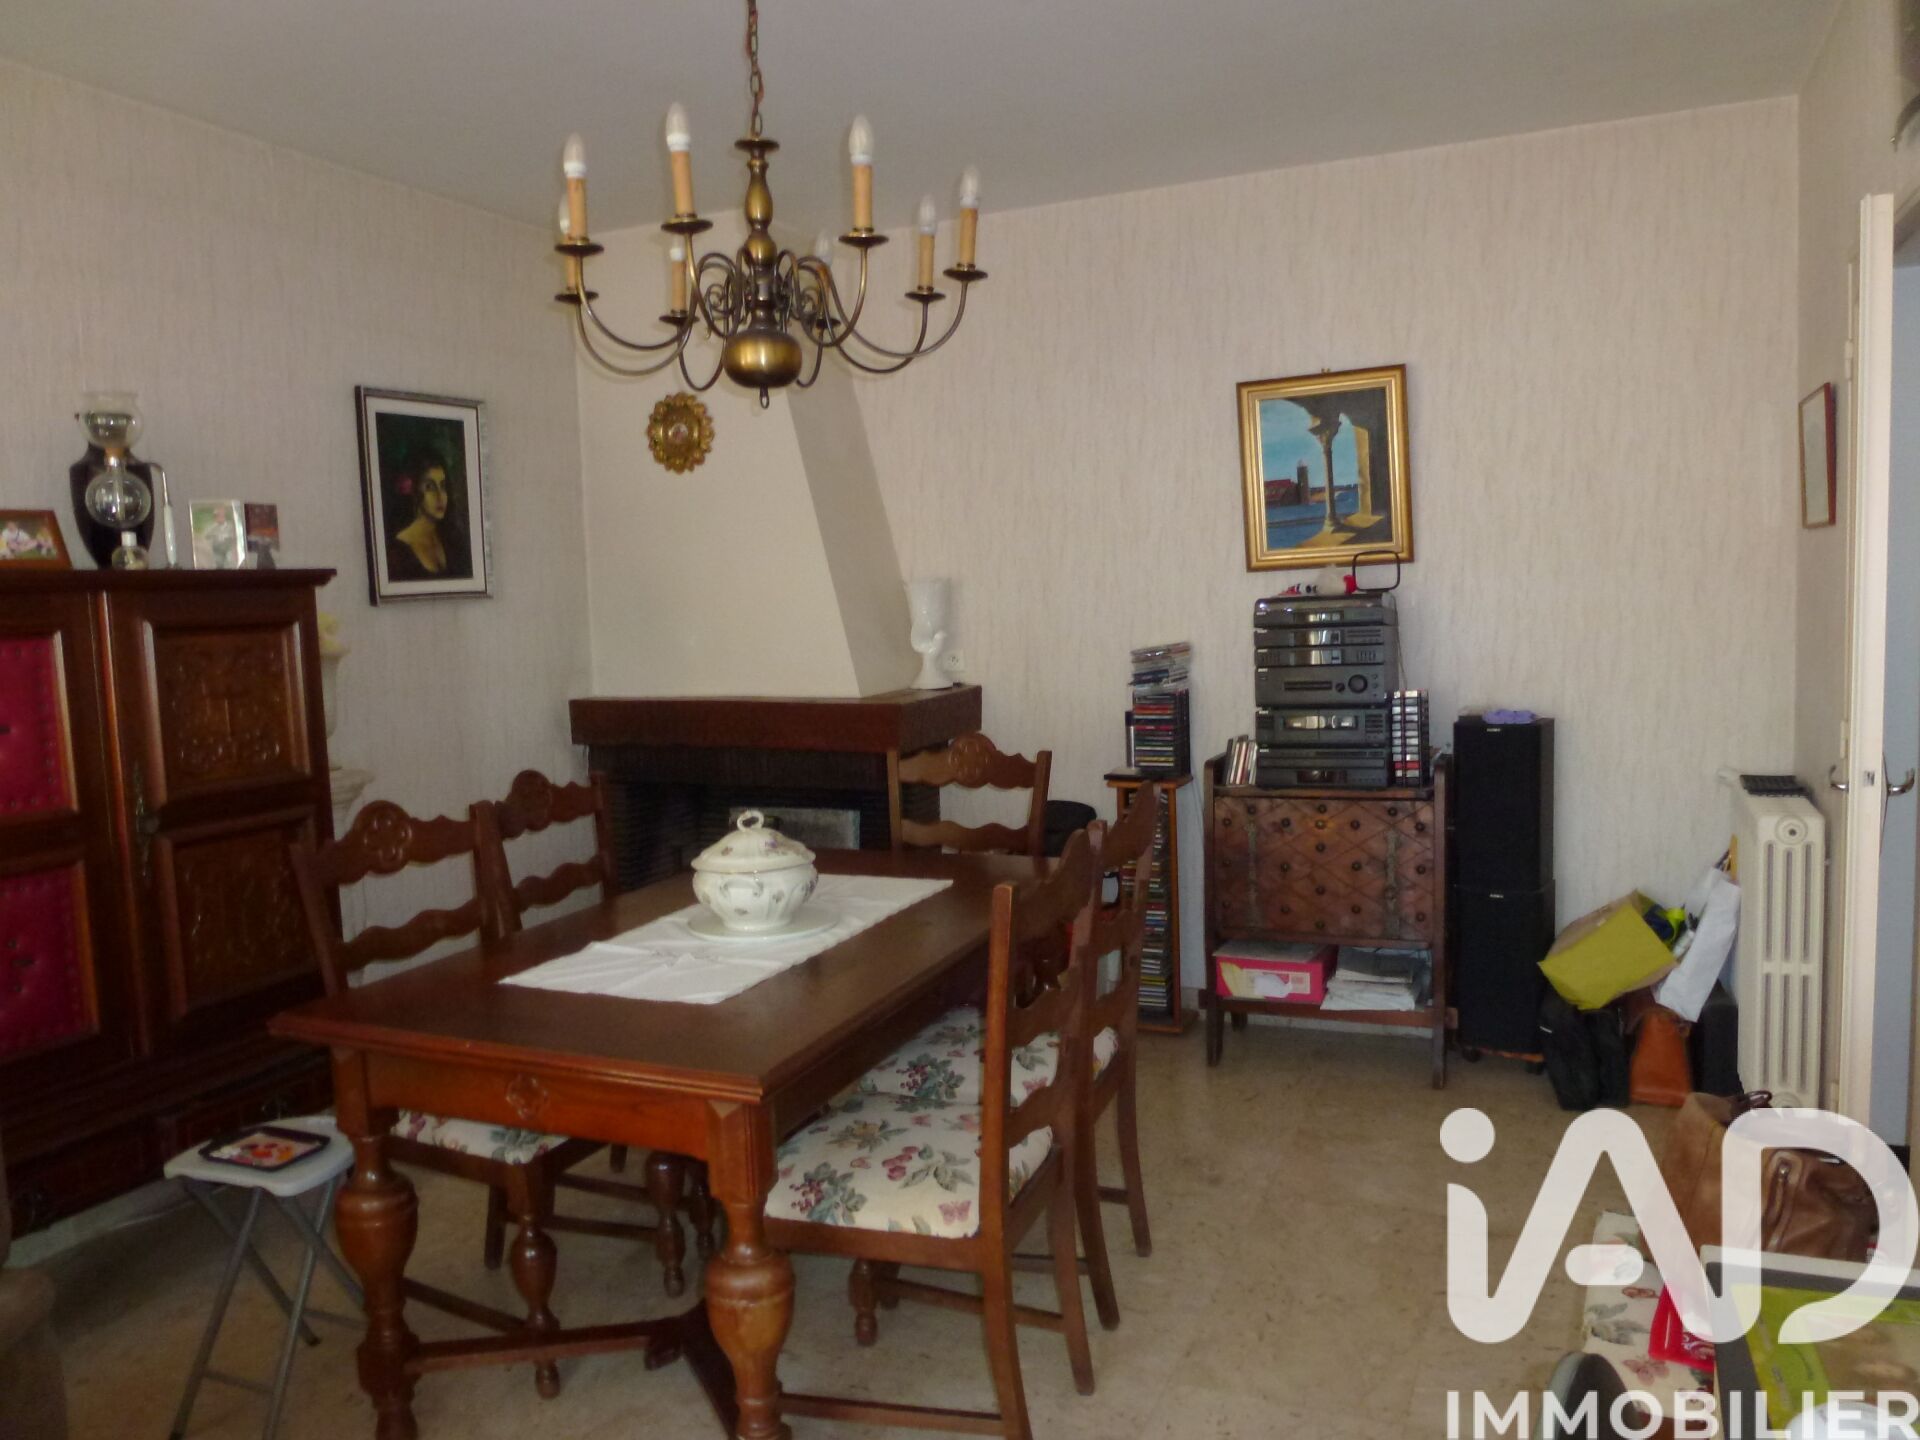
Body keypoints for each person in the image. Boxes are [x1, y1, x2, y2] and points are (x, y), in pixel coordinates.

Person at [386, 456, 468, 581]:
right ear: (415, 492)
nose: (440, 496)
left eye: (443, 486)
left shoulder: (450, 537)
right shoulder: (398, 551)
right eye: (430, 487)